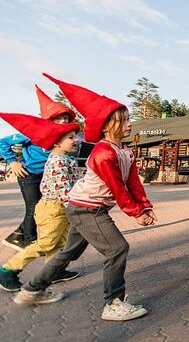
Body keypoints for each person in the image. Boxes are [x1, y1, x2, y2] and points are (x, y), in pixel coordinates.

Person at [14, 73, 157, 322]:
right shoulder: (103, 153)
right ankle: (113, 304)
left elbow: (132, 182)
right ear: (106, 125)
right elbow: (117, 188)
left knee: (68, 252)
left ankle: (31, 290)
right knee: (117, 248)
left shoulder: (125, 150)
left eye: (128, 119)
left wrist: (145, 206)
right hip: (85, 209)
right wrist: (136, 213)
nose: (129, 124)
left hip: (86, 208)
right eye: (122, 121)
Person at [0, 113, 82, 291]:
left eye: (75, 136)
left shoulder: (68, 158)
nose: (76, 140)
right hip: (52, 206)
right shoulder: (57, 161)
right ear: (55, 142)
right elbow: (63, 189)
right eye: (71, 137)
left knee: (59, 242)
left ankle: (53, 270)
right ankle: (8, 270)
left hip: (59, 207)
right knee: (45, 243)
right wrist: (13, 162)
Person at [0, 86, 76, 250]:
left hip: (48, 176)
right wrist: (13, 161)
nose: (63, 121)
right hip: (29, 175)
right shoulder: (33, 132)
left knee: (43, 207)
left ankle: (19, 233)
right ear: (49, 118)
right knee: (34, 207)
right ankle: (29, 240)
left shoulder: (64, 137)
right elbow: (3, 142)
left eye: (65, 118)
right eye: (58, 118)